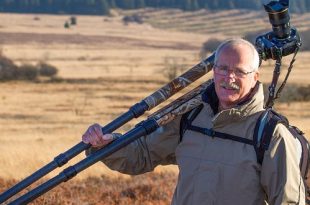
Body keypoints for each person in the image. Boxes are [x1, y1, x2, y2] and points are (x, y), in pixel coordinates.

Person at [82, 38, 305, 205]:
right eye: (223, 69)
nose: (229, 78)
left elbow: (289, 201)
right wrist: (106, 145)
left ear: (255, 77)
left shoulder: (270, 133)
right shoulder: (190, 117)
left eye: (239, 71)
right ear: (213, 71)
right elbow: (143, 155)